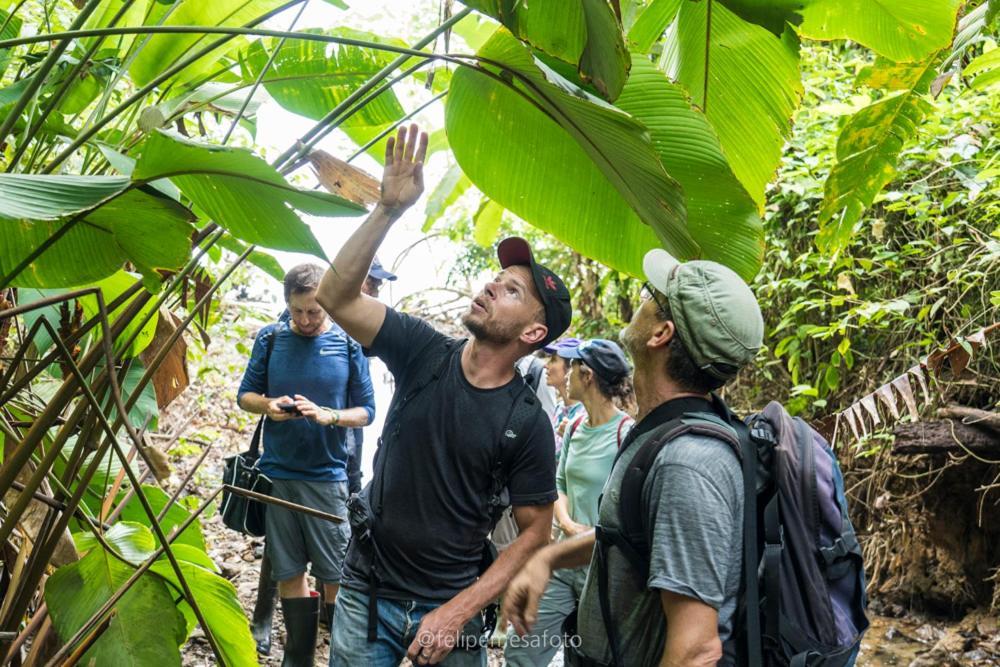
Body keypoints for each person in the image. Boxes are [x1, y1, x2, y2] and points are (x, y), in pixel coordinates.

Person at [316, 124, 573, 667]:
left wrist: (460, 611)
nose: (489, 287)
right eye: (495, 278)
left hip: (451, 607)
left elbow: (535, 531)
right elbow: (334, 296)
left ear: (532, 334)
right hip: (368, 592)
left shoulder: (525, 422)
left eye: (511, 291)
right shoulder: (421, 350)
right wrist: (387, 209)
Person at [503, 249, 764, 667]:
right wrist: (550, 558)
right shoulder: (660, 434)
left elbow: (696, 649)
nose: (640, 300)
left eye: (649, 294)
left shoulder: (687, 463)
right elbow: (626, 537)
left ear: (661, 333)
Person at [237, 263, 376, 667]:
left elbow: (366, 411)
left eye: (314, 311)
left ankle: (341, 655)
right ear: (287, 305)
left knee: (335, 574)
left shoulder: (347, 344)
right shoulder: (271, 338)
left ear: (327, 305)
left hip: (327, 477)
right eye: (297, 311)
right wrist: (269, 407)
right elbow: (245, 395)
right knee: (289, 570)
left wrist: (328, 415)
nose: (306, 320)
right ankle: (297, 660)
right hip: (279, 474)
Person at [504, 339, 633, 667]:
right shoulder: (575, 425)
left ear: (586, 376)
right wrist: (567, 522)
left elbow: (629, 505)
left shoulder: (626, 433)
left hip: (602, 566)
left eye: (571, 367)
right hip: (562, 559)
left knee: (594, 656)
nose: (563, 373)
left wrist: (586, 531)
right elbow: (559, 481)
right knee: (522, 649)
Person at [543, 338, 584, 452]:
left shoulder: (587, 413)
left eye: (553, 360)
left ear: (572, 367)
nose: (546, 366)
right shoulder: (559, 408)